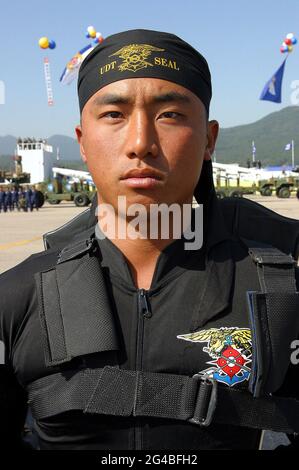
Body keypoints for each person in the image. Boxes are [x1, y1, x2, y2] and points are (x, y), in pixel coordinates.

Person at [0, 29, 299, 451]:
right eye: (113, 115)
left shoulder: (278, 292)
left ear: (210, 139)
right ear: (82, 143)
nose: (141, 143)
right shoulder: (17, 299)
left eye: (171, 114)